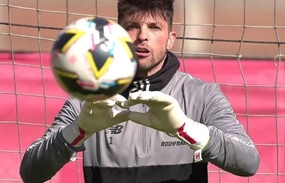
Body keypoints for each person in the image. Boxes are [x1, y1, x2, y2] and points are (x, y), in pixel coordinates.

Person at [19, 0, 260, 182]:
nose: (142, 36)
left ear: (170, 39)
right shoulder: (89, 98)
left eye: (154, 27)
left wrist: (186, 129)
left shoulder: (202, 95)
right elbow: (30, 172)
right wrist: (77, 131)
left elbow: (249, 162)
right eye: (133, 26)